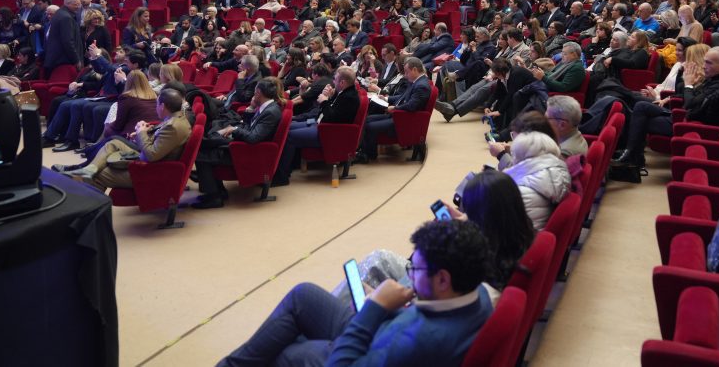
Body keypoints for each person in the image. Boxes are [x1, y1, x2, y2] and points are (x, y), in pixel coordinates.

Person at [218, 219, 494, 367]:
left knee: (286, 353)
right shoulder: (478, 293)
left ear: (443, 279)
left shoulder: (417, 341)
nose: (410, 274)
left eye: (416, 270)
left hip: (363, 348)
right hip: (382, 330)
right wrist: (389, 306)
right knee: (303, 296)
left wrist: (374, 308)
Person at [64, 88, 191, 190]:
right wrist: (143, 133)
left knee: (100, 174)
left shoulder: (173, 126)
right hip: (152, 160)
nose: (156, 107)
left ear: (162, 106)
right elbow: (160, 141)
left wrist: (141, 133)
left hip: (152, 170)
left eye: (157, 104)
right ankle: (89, 169)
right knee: (113, 143)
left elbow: (152, 155)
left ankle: (95, 206)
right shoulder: (176, 118)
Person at [193, 78, 284, 209]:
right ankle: (218, 191)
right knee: (207, 143)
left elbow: (253, 138)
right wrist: (250, 109)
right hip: (244, 145)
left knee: (201, 155)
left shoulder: (270, 112)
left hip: (247, 152)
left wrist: (234, 130)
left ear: (259, 93)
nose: (253, 95)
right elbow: (251, 126)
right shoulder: (267, 106)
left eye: (255, 92)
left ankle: (214, 197)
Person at [274, 66, 360, 186]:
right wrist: (329, 97)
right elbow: (330, 112)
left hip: (328, 133)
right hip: (320, 124)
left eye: (335, 79)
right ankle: (291, 165)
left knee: (289, 136)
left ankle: (282, 177)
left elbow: (332, 118)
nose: (333, 81)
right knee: (288, 127)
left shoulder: (350, 97)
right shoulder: (343, 92)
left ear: (342, 82)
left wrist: (325, 101)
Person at [355, 57, 432, 163]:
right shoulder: (416, 82)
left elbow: (412, 106)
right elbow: (402, 97)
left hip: (404, 120)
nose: (405, 75)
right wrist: (386, 99)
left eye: (407, 72)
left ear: (414, 70)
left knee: (370, 126)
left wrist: (395, 108)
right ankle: (363, 151)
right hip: (399, 115)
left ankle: (368, 155)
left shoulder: (421, 86)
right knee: (367, 119)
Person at [499, 131, 571, 230]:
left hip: (523, 237)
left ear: (524, 157)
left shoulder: (522, 192)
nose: (513, 158)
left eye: (514, 154)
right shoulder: (557, 172)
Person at [43, 0, 83, 69]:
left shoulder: (60, 13)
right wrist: (76, 60)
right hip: (63, 61)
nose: (78, 7)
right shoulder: (66, 17)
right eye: (76, 5)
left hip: (57, 59)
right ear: (67, 4)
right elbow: (68, 41)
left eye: (79, 4)